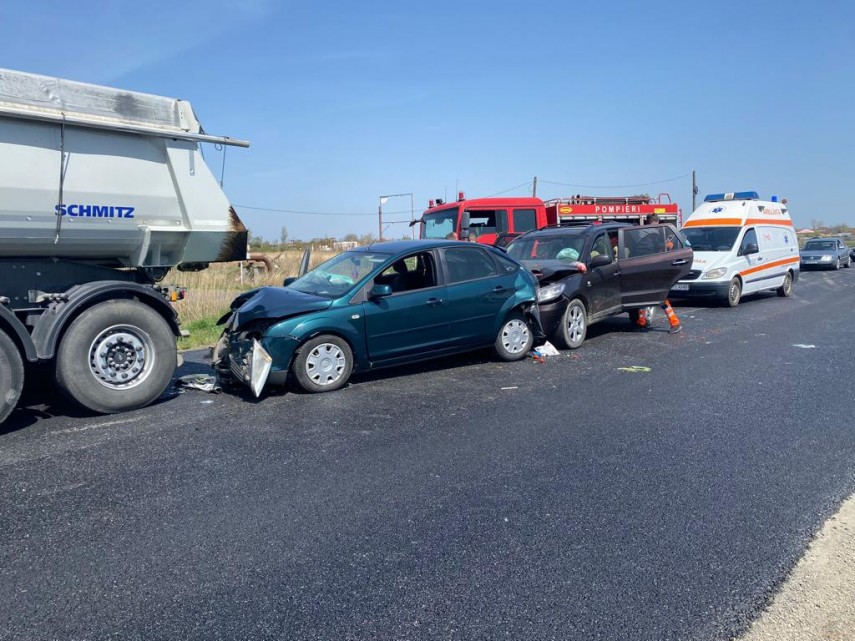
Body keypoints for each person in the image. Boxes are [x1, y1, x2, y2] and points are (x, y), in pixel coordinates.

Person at [635, 213, 681, 332]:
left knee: (642, 295)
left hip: (641, 269)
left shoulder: (638, 233)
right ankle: (674, 322)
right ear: (656, 222)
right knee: (660, 296)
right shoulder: (656, 235)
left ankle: (642, 321)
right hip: (654, 270)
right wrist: (669, 245)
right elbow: (664, 249)